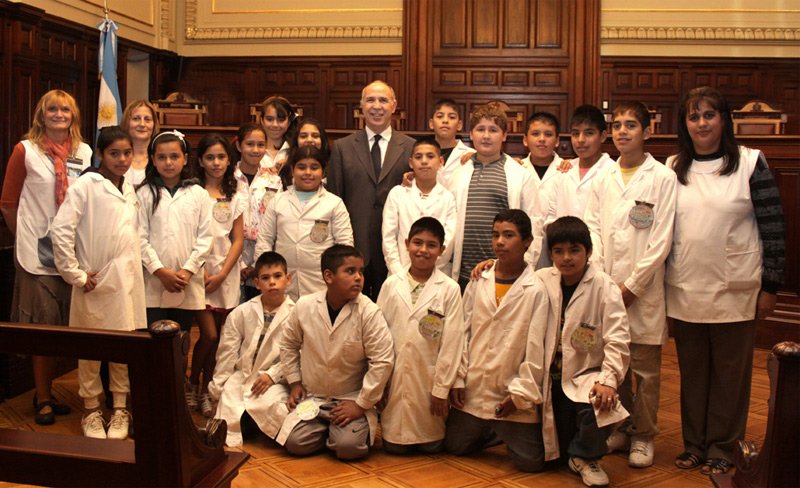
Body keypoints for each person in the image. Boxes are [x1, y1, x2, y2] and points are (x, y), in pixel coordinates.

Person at [666, 87, 785, 476]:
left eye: (708, 115)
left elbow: (773, 226)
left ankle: (723, 446)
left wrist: (771, 285)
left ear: (723, 120)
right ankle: (694, 444)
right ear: (685, 124)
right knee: (694, 372)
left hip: (736, 287)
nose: (701, 123)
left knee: (730, 376)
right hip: (684, 287)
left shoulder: (751, 163)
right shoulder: (672, 166)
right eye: (693, 116)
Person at [583, 101, 677, 468]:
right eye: (617, 125)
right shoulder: (604, 176)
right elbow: (593, 226)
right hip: (608, 285)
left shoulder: (662, 177)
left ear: (646, 131)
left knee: (645, 370)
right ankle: (620, 426)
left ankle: (644, 434)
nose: (622, 131)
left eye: (631, 125)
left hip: (645, 290)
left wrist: (633, 286)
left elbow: (662, 238)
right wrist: (606, 280)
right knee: (614, 365)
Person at [1, 89, 93, 425]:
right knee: (42, 329)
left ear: (73, 115)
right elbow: (8, 203)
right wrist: (26, 235)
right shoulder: (25, 151)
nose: (58, 114)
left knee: (67, 329)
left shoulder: (84, 151)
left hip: (73, 252)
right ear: (42, 114)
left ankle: (54, 392)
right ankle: (42, 396)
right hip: (36, 256)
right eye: (52, 109)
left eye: (64, 109)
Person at [50, 125, 146, 440]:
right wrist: (75, 273)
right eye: (114, 153)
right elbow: (61, 229)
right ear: (101, 155)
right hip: (96, 281)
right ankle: (91, 409)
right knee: (90, 348)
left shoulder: (129, 187)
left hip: (127, 282)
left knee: (123, 347)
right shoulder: (86, 185)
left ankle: (120, 408)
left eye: (127, 153)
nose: (121, 159)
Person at [444, 209, 552, 472]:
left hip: (510, 392)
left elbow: (537, 349)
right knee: (455, 446)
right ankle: (490, 430)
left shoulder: (536, 290)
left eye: (509, 235)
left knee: (531, 462)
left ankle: (501, 429)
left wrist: (519, 394)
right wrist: (458, 377)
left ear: (527, 242)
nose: (500, 242)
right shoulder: (480, 279)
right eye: (495, 235)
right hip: (474, 388)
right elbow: (463, 332)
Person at [536, 216, 630, 487]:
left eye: (574, 250)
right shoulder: (542, 279)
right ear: (550, 254)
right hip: (548, 376)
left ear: (588, 252)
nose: (566, 258)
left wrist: (608, 380)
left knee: (600, 401)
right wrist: (488, 266)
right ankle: (568, 451)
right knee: (540, 457)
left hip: (586, 372)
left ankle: (584, 457)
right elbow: (510, 278)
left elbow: (618, 338)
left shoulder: (603, 285)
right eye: (558, 251)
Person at [277, 244, 394, 460]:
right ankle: (329, 429)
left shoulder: (368, 312)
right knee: (296, 444)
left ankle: (339, 432)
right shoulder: (305, 306)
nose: (359, 277)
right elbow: (288, 345)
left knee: (348, 448)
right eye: (350, 271)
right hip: (315, 396)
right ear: (328, 276)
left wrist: (361, 404)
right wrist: (294, 382)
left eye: (360, 271)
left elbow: (383, 361)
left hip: (350, 399)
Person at [377, 217, 464, 454]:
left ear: (442, 250)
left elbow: (453, 342)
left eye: (431, 245)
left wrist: (441, 389)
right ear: (406, 244)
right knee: (395, 447)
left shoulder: (449, 289)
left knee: (432, 444)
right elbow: (378, 336)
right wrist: (379, 382)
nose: (423, 250)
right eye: (418, 243)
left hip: (430, 378)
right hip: (393, 376)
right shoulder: (391, 285)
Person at [327, 80, 416, 300]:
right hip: (354, 246)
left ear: (394, 106)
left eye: (383, 100)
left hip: (395, 249)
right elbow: (334, 200)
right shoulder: (342, 148)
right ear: (361, 106)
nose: (377, 106)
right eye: (371, 100)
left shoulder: (412, 147)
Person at [136, 130, 213, 373]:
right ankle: (154, 393)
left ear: (185, 158)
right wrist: (160, 271)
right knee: (153, 341)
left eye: (174, 156)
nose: (168, 163)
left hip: (185, 281)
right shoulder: (144, 193)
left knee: (180, 341)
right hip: (154, 281)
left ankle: (177, 392)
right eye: (161, 157)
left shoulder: (198, 194)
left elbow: (205, 238)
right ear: (153, 159)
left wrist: (187, 271)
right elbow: (138, 237)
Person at [447, 103, 538, 290]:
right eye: (480, 129)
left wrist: (523, 266)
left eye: (493, 130)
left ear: (504, 135)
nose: (486, 136)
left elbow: (534, 224)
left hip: (503, 272)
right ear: (471, 135)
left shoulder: (519, 175)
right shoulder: (457, 174)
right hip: (463, 273)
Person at [208, 251, 295, 447]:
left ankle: (252, 423)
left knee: (272, 406)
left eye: (277, 276)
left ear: (288, 279)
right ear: (256, 283)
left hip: (273, 380)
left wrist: (273, 375)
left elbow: (296, 354)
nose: (272, 282)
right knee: (229, 404)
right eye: (265, 278)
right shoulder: (241, 312)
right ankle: (243, 421)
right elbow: (226, 354)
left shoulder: (296, 314)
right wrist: (218, 390)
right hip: (242, 375)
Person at [188, 134, 247, 417]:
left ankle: (207, 391)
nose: (215, 163)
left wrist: (223, 273)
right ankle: (191, 382)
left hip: (226, 275)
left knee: (220, 339)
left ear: (229, 160)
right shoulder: (192, 192)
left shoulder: (235, 194)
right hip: (198, 275)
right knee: (208, 336)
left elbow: (238, 238)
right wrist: (200, 271)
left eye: (221, 157)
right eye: (210, 157)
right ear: (200, 161)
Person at [255, 145, 353, 301]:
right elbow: (264, 240)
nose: (308, 173)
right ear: (293, 170)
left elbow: (345, 247)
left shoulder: (334, 203)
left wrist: (339, 279)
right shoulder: (278, 201)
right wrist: (266, 276)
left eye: (314, 167)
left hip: (321, 283)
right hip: (282, 285)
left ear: (323, 172)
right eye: (301, 167)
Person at [382, 138, 457, 277]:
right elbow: (388, 237)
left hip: (437, 273)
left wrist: (428, 268)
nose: (424, 161)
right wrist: (399, 272)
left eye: (430, 156)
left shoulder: (448, 198)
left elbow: (449, 239)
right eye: (418, 157)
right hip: (399, 272)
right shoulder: (397, 193)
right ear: (411, 163)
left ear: (441, 162)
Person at [233, 123, 283, 301]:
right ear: (239, 146)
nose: (255, 150)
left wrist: (257, 264)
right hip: (231, 257)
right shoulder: (228, 177)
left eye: (261, 145)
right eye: (250, 144)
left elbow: (277, 221)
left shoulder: (273, 180)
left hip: (263, 258)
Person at [428, 99, 475, 187]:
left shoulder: (471, 155)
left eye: (452, 117)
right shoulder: (421, 154)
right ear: (431, 123)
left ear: (459, 125)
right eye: (440, 116)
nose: (445, 121)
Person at [281, 117, 331, 189]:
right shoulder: (285, 167)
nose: (309, 140)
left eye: (315, 136)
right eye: (303, 136)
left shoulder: (333, 168)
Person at [120, 100, 158, 186]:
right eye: (136, 119)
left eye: (147, 119)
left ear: (154, 124)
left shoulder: (161, 158)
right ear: (127, 122)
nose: (142, 124)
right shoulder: (117, 158)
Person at [259, 95, 298, 171]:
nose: (275, 125)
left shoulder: (296, 149)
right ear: (262, 121)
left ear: (289, 122)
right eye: (269, 119)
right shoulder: (253, 149)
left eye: (281, 120)